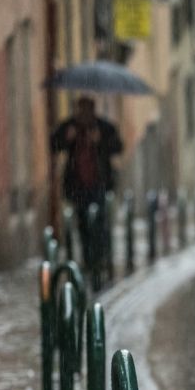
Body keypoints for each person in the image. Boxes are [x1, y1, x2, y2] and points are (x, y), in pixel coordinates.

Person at [50, 97, 123, 290]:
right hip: (78, 187)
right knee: (82, 225)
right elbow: (54, 145)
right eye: (80, 109)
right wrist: (67, 139)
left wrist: (101, 142)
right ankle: (88, 262)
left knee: (100, 225)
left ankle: (100, 259)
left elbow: (118, 147)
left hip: (99, 185)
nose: (83, 114)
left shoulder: (103, 127)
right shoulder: (69, 127)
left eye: (86, 110)